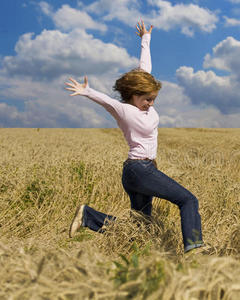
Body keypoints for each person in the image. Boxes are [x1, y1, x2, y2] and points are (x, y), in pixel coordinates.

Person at [65, 20, 205, 254]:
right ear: (132, 95)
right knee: (188, 200)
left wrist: (145, 39)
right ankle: (195, 249)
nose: (151, 104)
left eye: (153, 99)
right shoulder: (125, 110)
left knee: (141, 230)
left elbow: (145, 68)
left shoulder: (143, 103)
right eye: (147, 99)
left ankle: (89, 216)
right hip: (140, 170)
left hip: (137, 171)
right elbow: (107, 101)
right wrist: (86, 91)